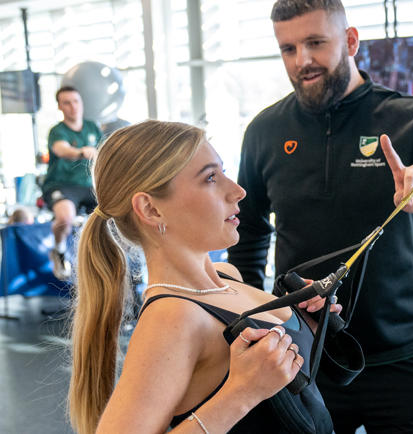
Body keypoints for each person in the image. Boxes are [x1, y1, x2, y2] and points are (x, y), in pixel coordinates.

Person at [228, 1, 413, 432]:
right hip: (307, 360)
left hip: (406, 361)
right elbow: (250, 233)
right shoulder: (264, 131)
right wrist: (253, 320)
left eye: (316, 43)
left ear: (351, 41)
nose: (303, 61)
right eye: (288, 48)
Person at [68, 120, 341, 434]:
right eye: (211, 178)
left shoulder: (228, 276)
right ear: (151, 209)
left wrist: (307, 322)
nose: (238, 191)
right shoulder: (171, 318)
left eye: (222, 172)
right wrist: (240, 394)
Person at [42, 86, 102, 281]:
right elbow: (62, 150)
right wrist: (80, 152)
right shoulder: (57, 131)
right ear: (60, 107)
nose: (73, 107)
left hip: (89, 186)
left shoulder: (92, 127)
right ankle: (58, 251)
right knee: (65, 218)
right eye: (67, 103)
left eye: (76, 101)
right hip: (62, 185)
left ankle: (103, 259)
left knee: (113, 218)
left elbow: (104, 152)